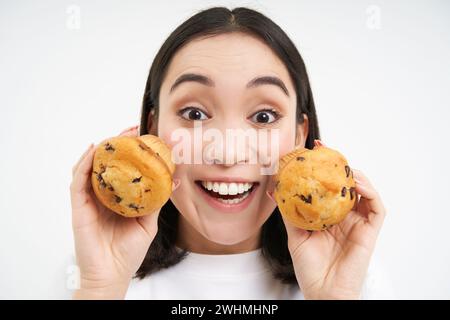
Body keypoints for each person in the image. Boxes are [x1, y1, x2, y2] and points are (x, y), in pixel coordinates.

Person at [70, 7, 390, 300]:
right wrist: (100, 288)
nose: (227, 153)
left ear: (299, 137)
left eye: (263, 117)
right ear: (152, 130)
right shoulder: (90, 277)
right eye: (194, 114)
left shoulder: (358, 281)